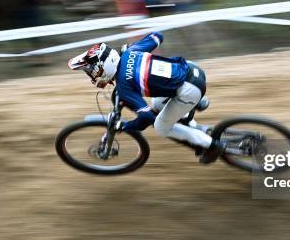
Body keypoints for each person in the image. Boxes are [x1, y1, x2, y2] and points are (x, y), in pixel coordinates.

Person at [68, 31, 224, 164]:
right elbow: (158, 36)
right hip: (192, 69)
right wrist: (131, 48)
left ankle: (211, 145)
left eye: (91, 72)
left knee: (161, 127)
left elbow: (146, 118)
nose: (91, 76)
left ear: (102, 67)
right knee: (157, 104)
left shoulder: (124, 87)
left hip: (189, 89)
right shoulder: (131, 51)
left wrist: (124, 126)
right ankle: (192, 123)